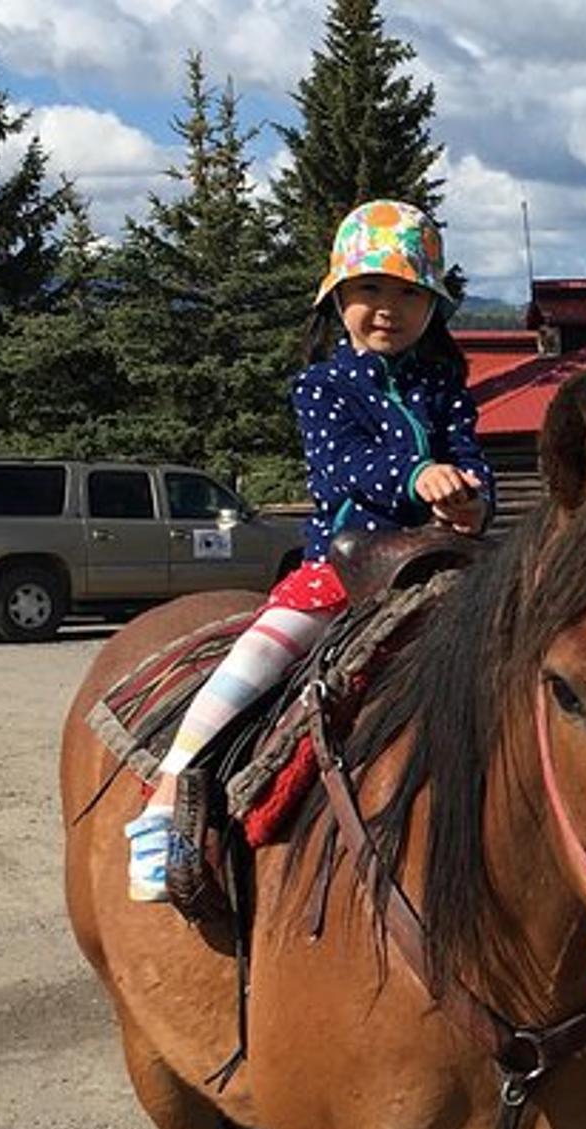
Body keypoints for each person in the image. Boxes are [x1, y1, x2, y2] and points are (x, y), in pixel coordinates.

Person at [125, 199, 494, 902]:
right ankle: (169, 790)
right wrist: (417, 476)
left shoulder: (444, 386)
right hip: (347, 565)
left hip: (440, 562)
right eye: (371, 289)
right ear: (339, 299)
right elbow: (341, 468)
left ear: (432, 308)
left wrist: (475, 497)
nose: (389, 308)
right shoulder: (322, 386)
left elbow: (470, 457)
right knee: (263, 654)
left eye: (410, 293)